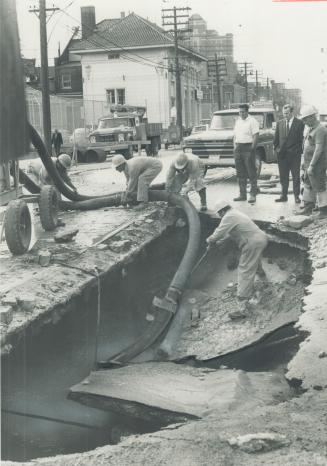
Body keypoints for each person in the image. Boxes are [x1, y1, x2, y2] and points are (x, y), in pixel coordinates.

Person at [206, 200, 268, 319]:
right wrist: (221, 241)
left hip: (252, 243)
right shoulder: (235, 213)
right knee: (253, 260)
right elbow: (232, 233)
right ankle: (263, 278)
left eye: (220, 213)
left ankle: (242, 305)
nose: (219, 216)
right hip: (259, 238)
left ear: (223, 210)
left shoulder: (229, 216)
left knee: (245, 270)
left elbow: (219, 232)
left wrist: (210, 240)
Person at [299, 105, 327, 218]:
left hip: (317, 164)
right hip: (308, 162)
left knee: (319, 185)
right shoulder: (311, 128)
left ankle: (323, 210)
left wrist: (312, 165)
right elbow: (306, 146)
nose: (304, 122)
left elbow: (319, 149)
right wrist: (304, 163)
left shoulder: (320, 129)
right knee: (308, 184)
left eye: (305, 119)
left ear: (312, 117)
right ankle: (308, 208)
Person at [273, 104, 304, 204]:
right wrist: (277, 150)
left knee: (296, 176)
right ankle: (284, 195)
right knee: (283, 176)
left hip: (295, 155)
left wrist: (297, 151)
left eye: (286, 113)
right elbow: (276, 139)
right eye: (283, 114)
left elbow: (301, 140)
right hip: (282, 155)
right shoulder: (280, 123)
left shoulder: (299, 123)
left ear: (291, 112)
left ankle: (296, 196)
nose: (285, 115)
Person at [233, 103, 259, 204]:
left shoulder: (252, 121)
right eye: (239, 112)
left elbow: (256, 135)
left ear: (247, 111)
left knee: (251, 172)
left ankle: (252, 194)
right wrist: (235, 146)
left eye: (243, 112)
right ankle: (242, 194)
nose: (241, 114)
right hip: (238, 148)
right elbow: (235, 135)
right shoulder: (238, 121)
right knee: (240, 173)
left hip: (248, 147)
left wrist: (252, 148)